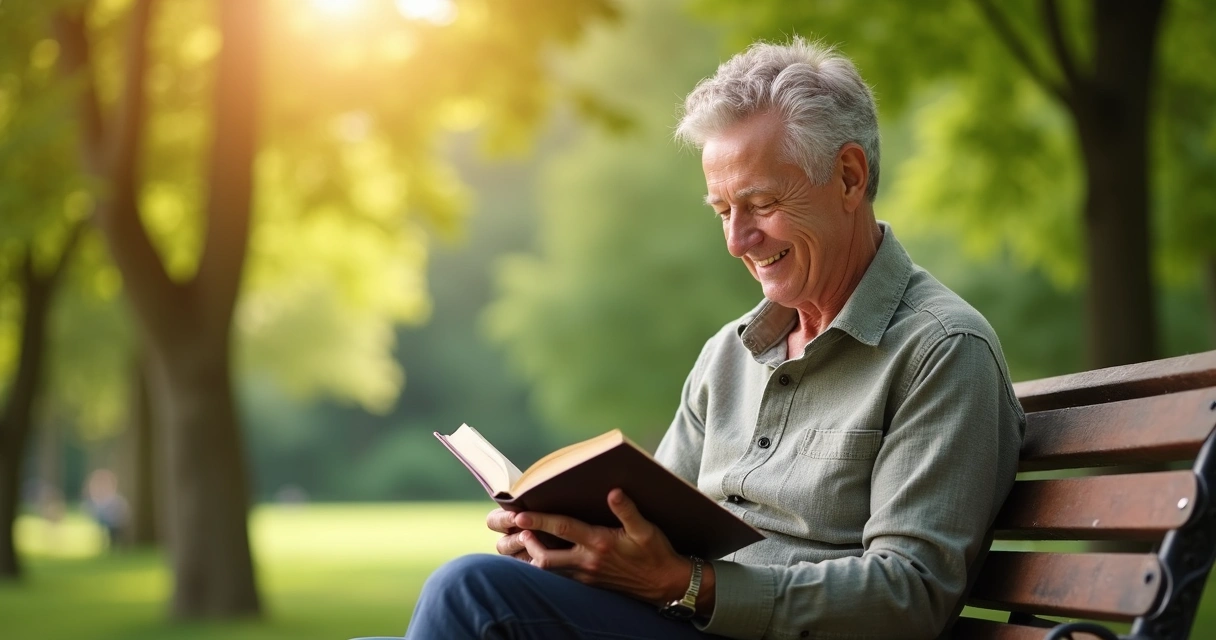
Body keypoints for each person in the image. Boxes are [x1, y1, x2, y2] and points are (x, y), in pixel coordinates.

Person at [396, 37, 1025, 640]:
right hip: (676, 623)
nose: (737, 241)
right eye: (723, 211)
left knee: (469, 591)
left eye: (761, 203)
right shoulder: (729, 354)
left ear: (850, 177)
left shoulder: (942, 350)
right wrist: (563, 540)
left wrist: (692, 586)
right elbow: (646, 532)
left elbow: (910, 595)